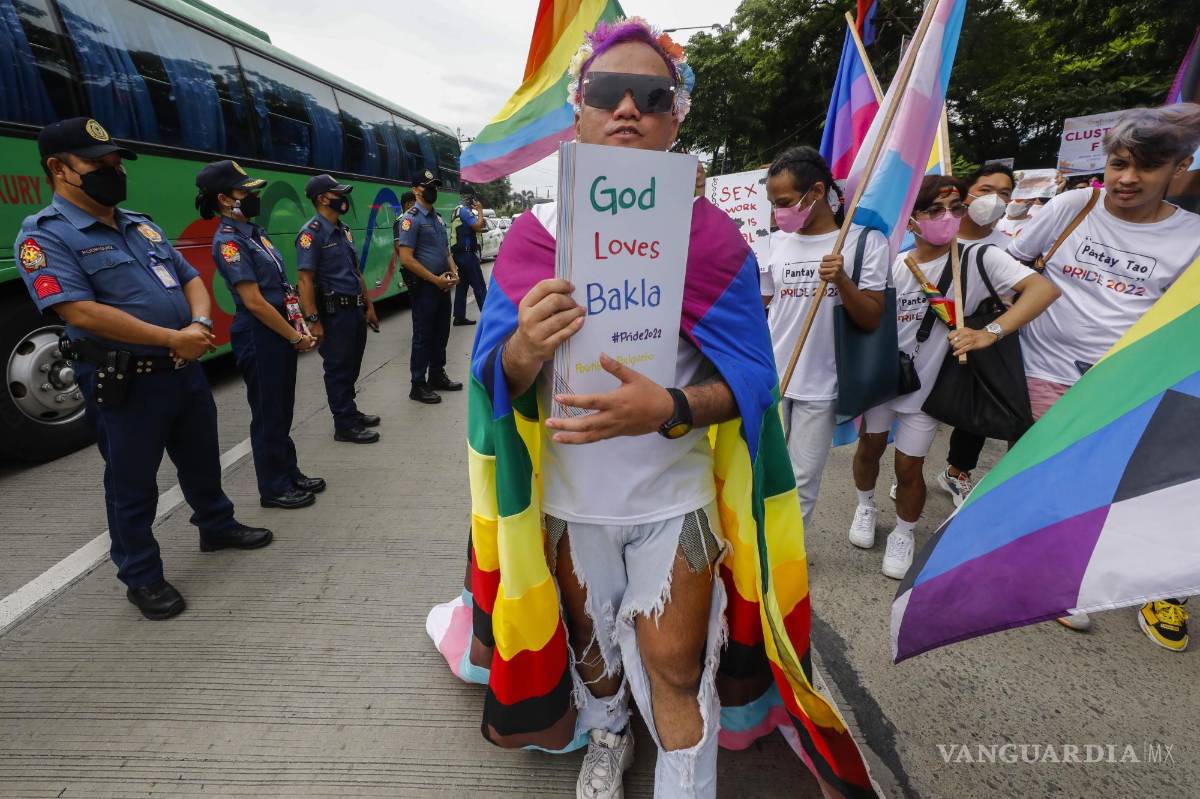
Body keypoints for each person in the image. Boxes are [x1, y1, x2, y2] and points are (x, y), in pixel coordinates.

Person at [426, 19, 875, 799]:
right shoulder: (533, 238)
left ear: (676, 115)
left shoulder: (713, 241)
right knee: (595, 652)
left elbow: (754, 381)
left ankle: (682, 781)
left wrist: (668, 406)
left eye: (650, 95)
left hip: (675, 500)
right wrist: (527, 346)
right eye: (607, 92)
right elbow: (493, 375)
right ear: (581, 111)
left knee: (672, 662)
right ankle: (607, 730)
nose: (626, 108)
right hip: (568, 505)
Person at [14, 118, 273, 619]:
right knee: (132, 483)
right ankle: (141, 575)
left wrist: (196, 325)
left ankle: (216, 527)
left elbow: (191, 277)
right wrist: (172, 338)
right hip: (125, 379)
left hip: (183, 369)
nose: (114, 172)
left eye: (116, 163)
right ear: (58, 169)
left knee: (201, 459)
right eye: (99, 164)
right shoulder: (46, 236)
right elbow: (78, 310)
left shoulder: (140, 223)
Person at [1007, 103, 1200, 643]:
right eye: (1119, 164)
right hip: (1040, 367)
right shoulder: (1074, 204)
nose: (1128, 179)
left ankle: (1127, 580)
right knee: (1052, 475)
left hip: (1124, 386)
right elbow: (1012, 261)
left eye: (1146, 167)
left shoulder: (1191, 238)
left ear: (1176, 170)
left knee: (1101, 483)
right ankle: (1051, 577)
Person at [849, 175, 1058, 579]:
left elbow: (1041, 291)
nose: (947, 216)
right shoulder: (895, 262)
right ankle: (865, 507)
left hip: (928, 391)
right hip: (885, 381)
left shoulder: (979, 259)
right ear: (912, 220)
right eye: (934, 210)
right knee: (868, 450)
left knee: (909, 468)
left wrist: (989, 332)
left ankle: (905, 533)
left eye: (955, 207)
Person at [761, 145, 887, 531]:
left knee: (800, 481)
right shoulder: (774, 243)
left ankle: (786, 564)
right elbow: (759, 307)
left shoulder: (863, 242)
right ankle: (760, 553)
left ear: (816, 192)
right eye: (772, 203)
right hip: (772, 380)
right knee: (762, 474)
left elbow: (871, 318)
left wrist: (842, 281)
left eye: (783, 202)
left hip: (822, 385)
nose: (777, 212)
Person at [197, 160, 324, 511]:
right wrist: (294, 337)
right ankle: (274, 486)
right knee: (268, 412)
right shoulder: (229, 242)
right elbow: (253, 301)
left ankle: (289, 471)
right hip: (260, 333)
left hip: (278, 327)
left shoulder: (256, 234)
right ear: (224, 199)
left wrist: (297, 327)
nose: (253, 197)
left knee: (281, 408)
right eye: (245, 192)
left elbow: (280, 289)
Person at [934, 163, 1017, 506]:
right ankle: (908, 475)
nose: (994, 199)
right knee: (921, 415)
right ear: (966, 193)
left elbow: (1028, 293)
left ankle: (957, 472)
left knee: (973, 410)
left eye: (1004, 193)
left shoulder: (1011, 248)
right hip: (928, 337)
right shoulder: (937, 234)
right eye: (985, 190)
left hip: (976, 339)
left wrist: (992, 329)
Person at [296, 174, 381, 444]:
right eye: (337, 193)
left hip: (354, 309)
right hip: (334, 313)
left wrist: (368, 305)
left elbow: (356, 272)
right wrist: (312, 320)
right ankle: (344, 424)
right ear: (322, 198)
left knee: (352, 364)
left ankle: (350, 411)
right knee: (338, 367)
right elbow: (305, 281)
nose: (343, 199)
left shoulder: (342, 230)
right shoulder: (311, 234)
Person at [395, 169, 461, 404]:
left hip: (443, 284)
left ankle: (437, 374)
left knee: (441, 332)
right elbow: (406, 258)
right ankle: (418, 384)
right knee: (423, 335)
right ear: (416, 189)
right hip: (425, 287)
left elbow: (445, 251)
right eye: (427, 186)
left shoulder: (438, 218)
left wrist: (454, 271)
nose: (432, 190)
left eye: (434, 186)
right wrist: (434, 280)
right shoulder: (410, 220)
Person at [450, 184, 487, 326]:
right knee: (479, 285)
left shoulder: (456, 210)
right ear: (468, 196)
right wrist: (480, 210)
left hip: (459, 255)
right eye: (472, 196)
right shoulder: (465, 211)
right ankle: (487, 318)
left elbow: (475, 228)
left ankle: (459, 317)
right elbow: (477, 226)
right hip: (467, 255)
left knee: (462, 286)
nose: (474, 199)